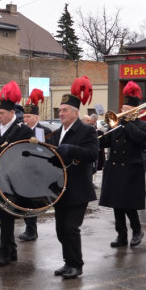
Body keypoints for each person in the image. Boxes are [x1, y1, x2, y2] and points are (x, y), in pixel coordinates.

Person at [47, 77, 99, 279]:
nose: (60, 114)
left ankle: (77, 265)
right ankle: (68, 262)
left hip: (78, 187)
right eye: (59, 111)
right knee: (61, 229)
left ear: (76, 113)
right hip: (60, 188)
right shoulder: (58, 132)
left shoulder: (86, 130)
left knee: (71, 227)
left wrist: (72, 149)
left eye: (65, 110)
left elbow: (92, 154)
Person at [0, 81, 33, 266]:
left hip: (15, 179)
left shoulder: (23, 130)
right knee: (5, 218)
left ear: (13, 113)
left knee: (6, 216)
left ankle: (5, 253)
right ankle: (10, 251)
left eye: (2, 114)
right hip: (0, 177)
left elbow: (25, 155)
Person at [99, 81, 146, 249]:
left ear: (135, 111)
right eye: (122, 109)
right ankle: (121, 235)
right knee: (117, 205)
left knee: (129, 205)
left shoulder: (142, 125)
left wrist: (127, 124)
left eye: (127, 110)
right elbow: (105, 143)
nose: (123, 112)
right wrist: (101, 132)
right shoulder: (116, 125)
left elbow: (141, 140)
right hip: (114, 169)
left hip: (131, 169)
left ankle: (137, 231)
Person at [19, 89, 51, 241]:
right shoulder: (20, 130)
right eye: (24, 116)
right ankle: (29, 228)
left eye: (28, 116)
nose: (25, 119)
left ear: (36, 117)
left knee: (31, 200)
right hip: (23, 169)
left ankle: (31, 230)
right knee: (23, 200)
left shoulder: (43, 131)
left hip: (37, 170)